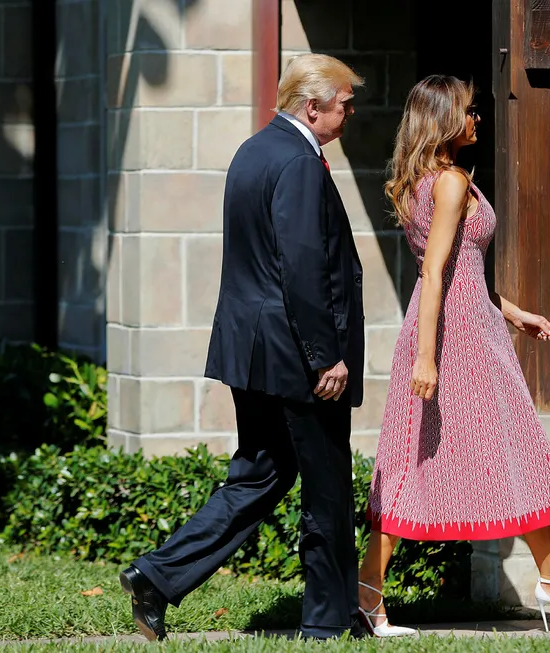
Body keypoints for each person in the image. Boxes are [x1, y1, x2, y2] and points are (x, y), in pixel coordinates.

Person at [119, 53, 367, 641]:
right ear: (314, 106)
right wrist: (325, 355)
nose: (350, 113)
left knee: (260, 474)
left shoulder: (254, 150)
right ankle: (327, 622)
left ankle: (157, 576)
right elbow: (302, 266)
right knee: (327, 484)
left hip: (253, 350)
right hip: (296, 354)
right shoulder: (300, 162)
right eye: (344, 104)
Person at [357, 75, 550, 636]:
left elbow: (459, 273)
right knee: (419, 465)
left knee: (508, 455)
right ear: (446, 118)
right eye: (470, 111)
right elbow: (432, 274)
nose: (479, 119)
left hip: (473, 333)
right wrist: (427, 358)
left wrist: (514, 312)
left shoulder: (431, 179)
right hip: (453, 344)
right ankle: (367, 596)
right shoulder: (448, 182)